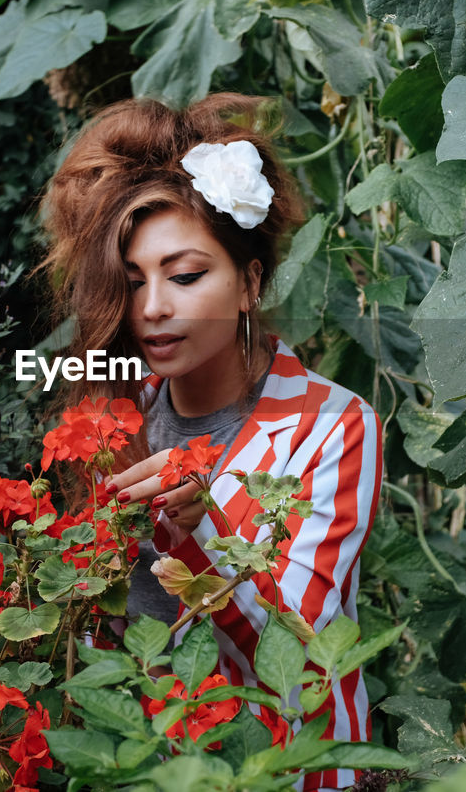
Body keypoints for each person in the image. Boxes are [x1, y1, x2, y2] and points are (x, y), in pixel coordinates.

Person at [40, 93, 382, 791]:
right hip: (140, 764)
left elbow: (305, 658)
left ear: (250, 282)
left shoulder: (330, 426)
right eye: (131, 284)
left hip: (279, 771)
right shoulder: (118, 415)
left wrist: (202, 534)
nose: (153, 308)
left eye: (187, 275)